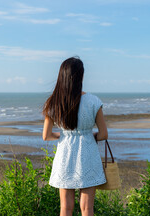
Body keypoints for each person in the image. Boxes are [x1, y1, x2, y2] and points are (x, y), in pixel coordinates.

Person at [42, 56, 108, 216]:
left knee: (65, 208)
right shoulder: (93, 101)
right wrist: (88, 135)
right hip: (88, 154)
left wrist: (65, 135)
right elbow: (104, 134)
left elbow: (46, 136)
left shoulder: (54, 102)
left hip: (65, 155)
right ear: (81, 76)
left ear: (62, 76)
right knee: (87, 208)